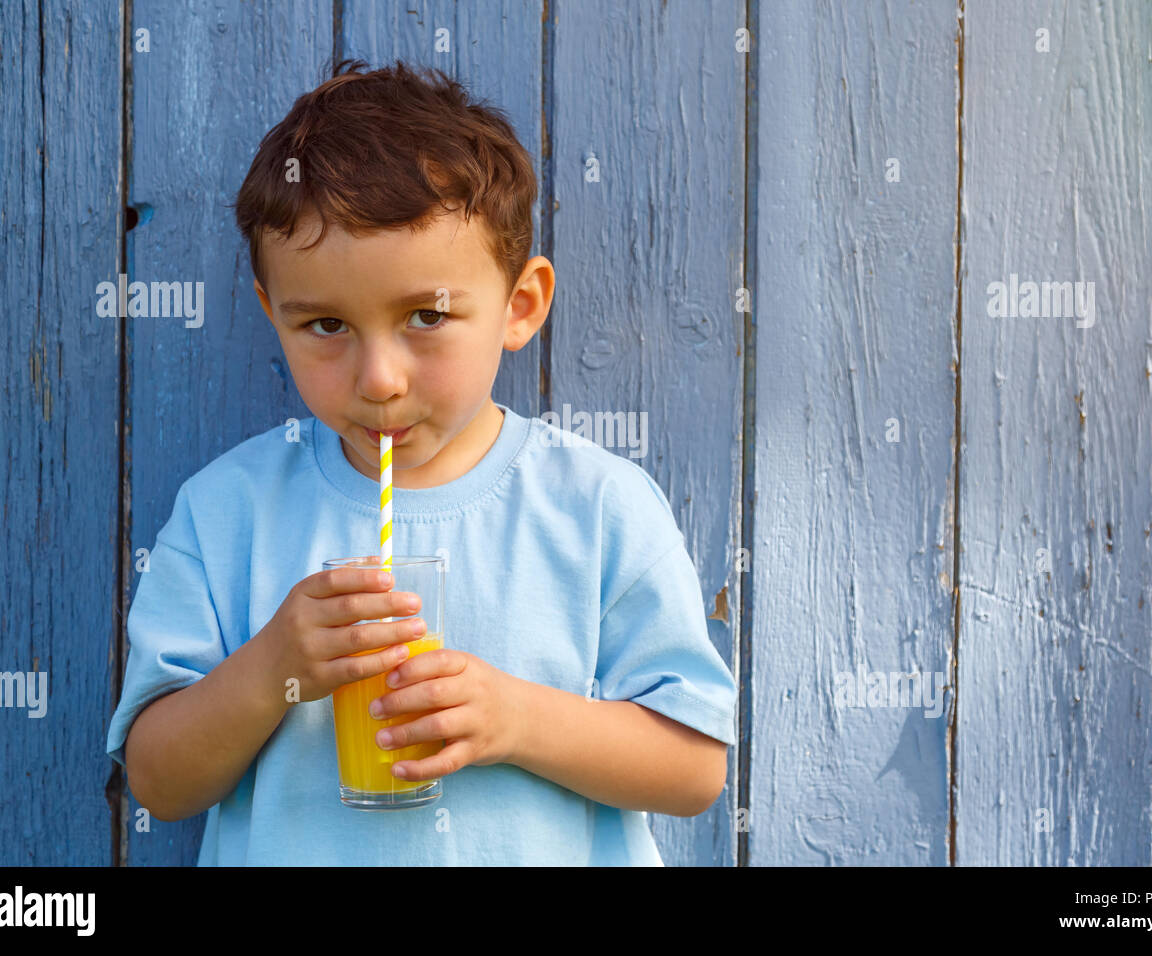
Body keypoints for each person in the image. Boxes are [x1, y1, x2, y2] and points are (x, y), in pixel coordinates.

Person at [105, 58, 737, 865]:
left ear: (521, 306)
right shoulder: (227, 511)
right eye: (326, 326)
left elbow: (693, 770)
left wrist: (512, 719)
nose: (379, 379)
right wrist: (273, 671)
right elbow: (160, 780)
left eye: (427, 317)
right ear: (273, 313)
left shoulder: (598, 507)